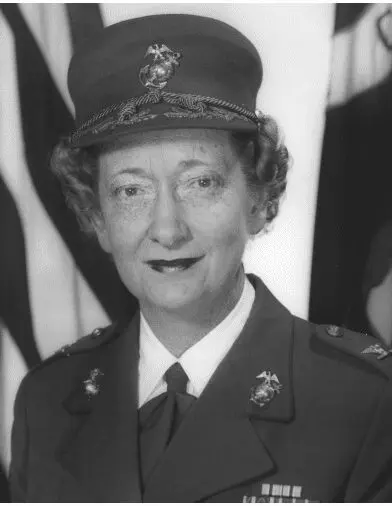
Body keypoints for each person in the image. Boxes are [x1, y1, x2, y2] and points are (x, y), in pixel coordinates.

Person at [9, 13, 392, 503]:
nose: (167, 229)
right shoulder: (48, 402)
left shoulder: (365, 402)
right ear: (98, 217)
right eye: (131, 190)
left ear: (257, 198)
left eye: (201, 182)